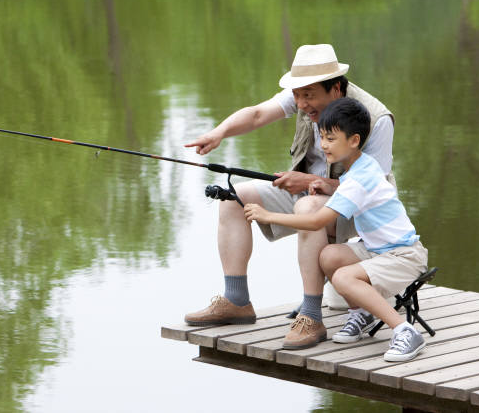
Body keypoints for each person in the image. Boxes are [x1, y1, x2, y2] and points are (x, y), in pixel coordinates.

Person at [183, 44, 395, 331]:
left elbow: (374, 191)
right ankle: (237, 300)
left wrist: (309, 182)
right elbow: (257, 114)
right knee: (233, 198)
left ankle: (311, 316)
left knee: (307, 206)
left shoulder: (376, 118)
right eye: (297, 96)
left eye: (309, 96)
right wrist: (219, 132)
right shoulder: (303, 96)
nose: (302, 104)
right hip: (308, 197)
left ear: (335, 89)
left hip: (359, 210)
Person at [244, 97, 428, 361]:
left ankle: (405, 331)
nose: (323, 145)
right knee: (328, 257)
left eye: (331, 138)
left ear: (354, 140)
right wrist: (330, 186)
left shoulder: (359, 176)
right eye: (321, 137)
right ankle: (362, 313)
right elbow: (352, 188)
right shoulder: (360, 167)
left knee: (342, 278)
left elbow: (316, 221)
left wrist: (267, 215)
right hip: (379, 250)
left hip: (404, 256)